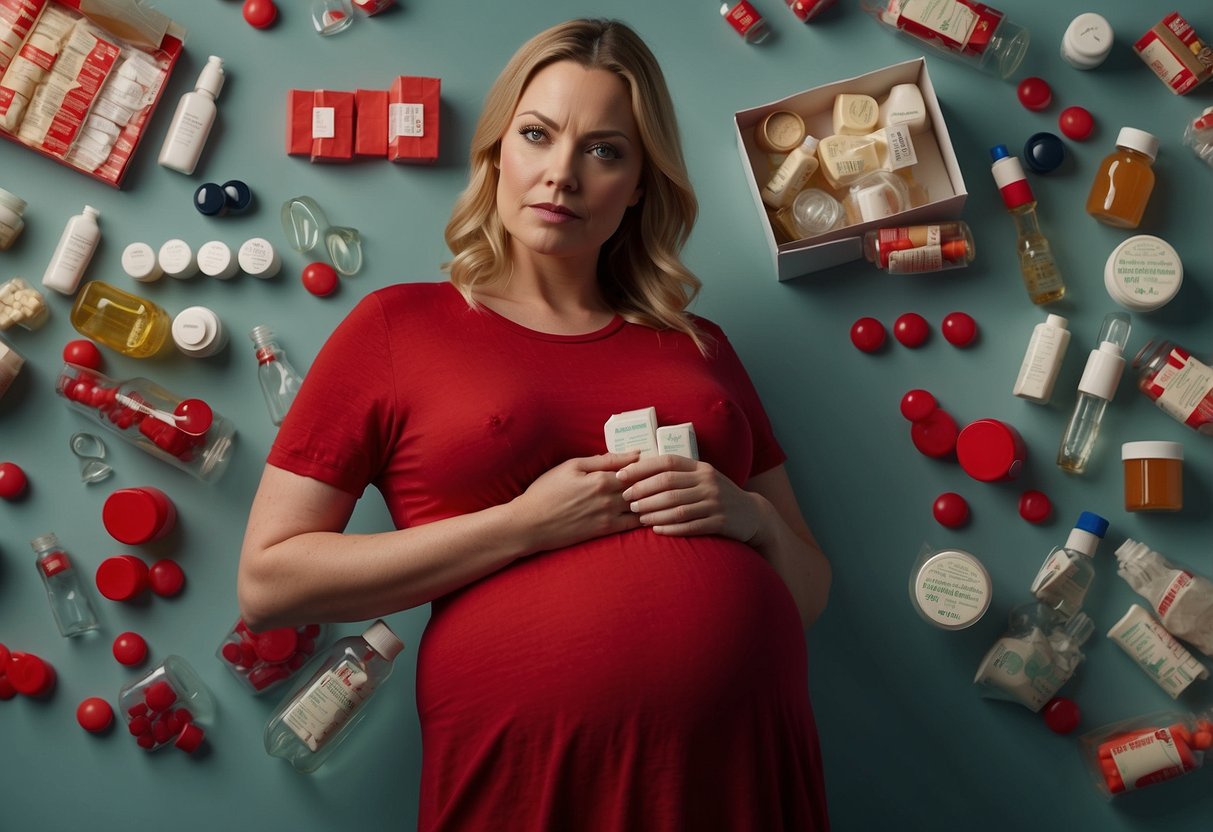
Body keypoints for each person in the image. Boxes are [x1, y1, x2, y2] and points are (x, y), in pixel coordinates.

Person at [239, 17, 831, 831]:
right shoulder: (397, 327)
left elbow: (808, 590)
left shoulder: (699, 345)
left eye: (604, 149)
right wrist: (522, 526)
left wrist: (750, 516)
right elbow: (269, 584)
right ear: (494, 154)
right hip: (528, 774)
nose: (562, 174)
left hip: (741, 763)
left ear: (639, 185)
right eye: (536, 134)